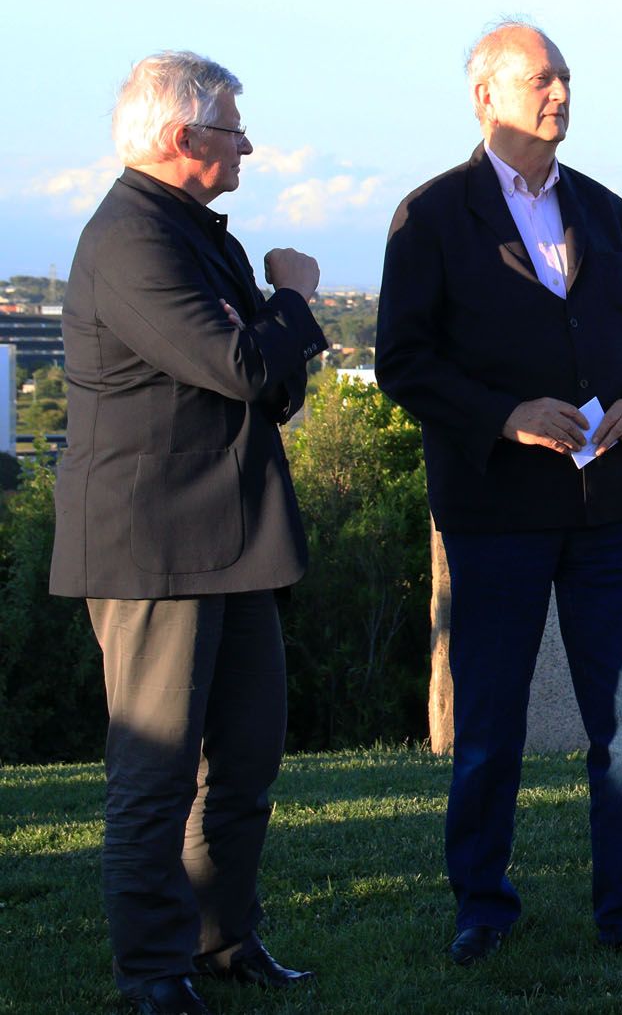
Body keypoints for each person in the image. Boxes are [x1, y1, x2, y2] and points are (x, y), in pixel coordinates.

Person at [375, 20, 622, 967]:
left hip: (611, 513)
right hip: (497, 512)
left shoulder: (606, 210)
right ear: (486, 96)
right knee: (490, 724)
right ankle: (483, 907)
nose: (559, 92)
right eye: (540, 78)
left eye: (565, 77)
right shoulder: (430, 216)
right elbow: (404, 363)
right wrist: (505, 415)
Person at [50, 51, 327, 1015]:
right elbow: (253, 365)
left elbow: (271, 385)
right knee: (156, 770)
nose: (247, 144)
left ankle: (222, 939)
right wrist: (296, 297)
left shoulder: (199, 237)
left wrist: (274, 333)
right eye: (233, 130)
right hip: (153, 547)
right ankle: (150, 971)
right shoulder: (133, 239)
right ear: (183, 139)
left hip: (234, 535)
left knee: (246, 754)